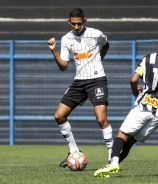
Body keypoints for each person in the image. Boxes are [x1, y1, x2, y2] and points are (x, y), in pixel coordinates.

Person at [94, 30, 158, 178]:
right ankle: (112, 166)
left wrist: (133, 90)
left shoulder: (148, 59)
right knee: (130, 141)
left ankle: (113, 164)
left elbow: (133, 79)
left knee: (122, 135)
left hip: (143, 106)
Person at [47, 8, 113, 167]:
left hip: (97, 79)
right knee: (59, 116)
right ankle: (73, 151)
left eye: (79, 23)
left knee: (101, 118)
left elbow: (106, 45)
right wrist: (54, 51)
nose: (76, 27)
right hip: (79, 81)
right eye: (73, 24)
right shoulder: (66, 39)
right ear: (69, 22)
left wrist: (98, 60)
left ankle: (113, 158)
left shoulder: (95, 33)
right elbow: (63, 67)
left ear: (84, 21)